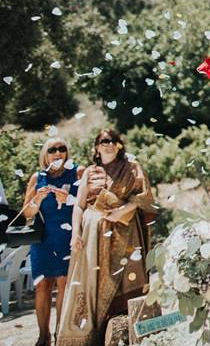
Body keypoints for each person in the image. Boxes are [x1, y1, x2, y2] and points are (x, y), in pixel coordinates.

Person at [58, 129, 156, 346]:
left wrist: (120, 212)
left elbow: (144, 198)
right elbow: (79, 206)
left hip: (126, 235)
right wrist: (75, 233)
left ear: (119, 145)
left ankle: (129, 337)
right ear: (96, 146)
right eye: (104, 141)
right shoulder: (89, 172)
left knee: (125, 283)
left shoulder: (132, 168)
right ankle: (95, 337)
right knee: (93, 283)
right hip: (93, 239)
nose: (109, 145)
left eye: (113, 141)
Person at [21, 138, 81, 346]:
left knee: (64, 283)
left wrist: (69, 200)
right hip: (43, 239)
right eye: (52, 150)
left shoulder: (77, 173)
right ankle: (43, 335)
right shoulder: (38, 178)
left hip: (68, 236)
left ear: (66, 153)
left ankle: (60, 334)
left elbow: (87, 204)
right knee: (42, 286)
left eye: (62, 149)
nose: (57, 153)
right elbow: (27, 214)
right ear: (45, 155)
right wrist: (37, 199)